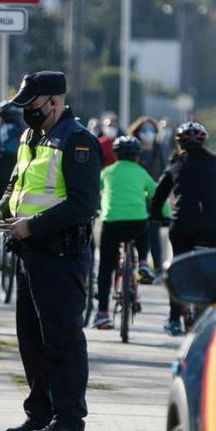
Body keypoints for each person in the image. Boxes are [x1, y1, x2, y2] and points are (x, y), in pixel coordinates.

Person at [0, 71, 101, 431]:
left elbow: (84, 205)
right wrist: (2, 209)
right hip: (30, 253)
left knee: (62, 340)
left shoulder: (78, 141)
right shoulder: (31, 136)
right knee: (31, 339)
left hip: (61, 253)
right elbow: (16, 183)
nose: (26, 113)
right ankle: (39, 414)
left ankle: (69, 420)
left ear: (54, 102)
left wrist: (32, 226)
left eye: (32, 105)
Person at [148, 122, 216, 337]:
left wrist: (156, 216)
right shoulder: (215, 163)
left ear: (179, 143)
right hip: (213, 225)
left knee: (178, 269)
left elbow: (159, 195)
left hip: (183, 225)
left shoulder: (176, 163)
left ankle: (173, 319)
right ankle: (212, 319)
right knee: (213, 269)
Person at [92, 136, 156, 330]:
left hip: (111, 222)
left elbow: (94, 191)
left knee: (105, 267)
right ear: (138, 156)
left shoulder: (107, 172)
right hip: (136, 221)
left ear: (115, 154)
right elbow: (156, 194)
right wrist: (164, 215)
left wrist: (94, 209)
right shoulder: (142, 172)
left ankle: (102, 313)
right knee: (144, 227)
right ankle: (144, 262)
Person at [128, 116, 167, 277]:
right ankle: (136, 264)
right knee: (137, 234)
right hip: (136, 197)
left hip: (154, 198)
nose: (148, 133)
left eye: (151, 130)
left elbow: (165, 172)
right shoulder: (133, 149)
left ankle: (157, 268)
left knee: (154, 234)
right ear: (138, 132)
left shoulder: (159, 150)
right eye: (144, 130)